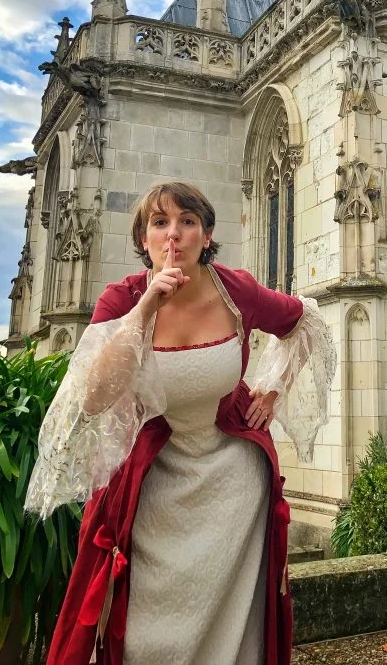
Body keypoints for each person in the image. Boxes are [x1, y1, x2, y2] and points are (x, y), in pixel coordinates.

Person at [25, 182, 336, 665]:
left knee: (232, 625)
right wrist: (146, 308)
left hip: (232, 485)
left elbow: (306, 324)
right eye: (160, 222)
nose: (174, 235)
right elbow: (93, 396)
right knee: (145, 633)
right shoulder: (121, 299)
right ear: (143, 238)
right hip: (150, 487)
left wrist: (273, 389)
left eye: (188, 222)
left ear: (206, 236)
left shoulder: (236, 291)